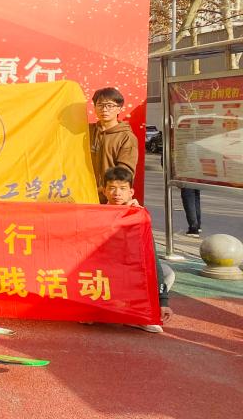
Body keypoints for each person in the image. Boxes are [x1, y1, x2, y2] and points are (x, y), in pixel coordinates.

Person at [102, 166, 173, 333]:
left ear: (131, 192)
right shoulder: (97, 214)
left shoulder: (139, 217)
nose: (117, 193)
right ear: (104, 191)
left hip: (131, 272)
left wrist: (162, 301)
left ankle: (138, 315)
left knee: (167, 273)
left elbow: (152, 259)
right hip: (106, 272)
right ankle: (96, 310)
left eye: (122, 188)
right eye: (112, 188)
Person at [88, 87, 137, 203]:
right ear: (95, 108)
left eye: (110, 105)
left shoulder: (126, 137)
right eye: (100, 105)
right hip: (86, 195)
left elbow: (124, 172)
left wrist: (104, 189)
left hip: (112, 198)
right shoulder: (87, 132)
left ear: (119, 109)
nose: (104, 109)